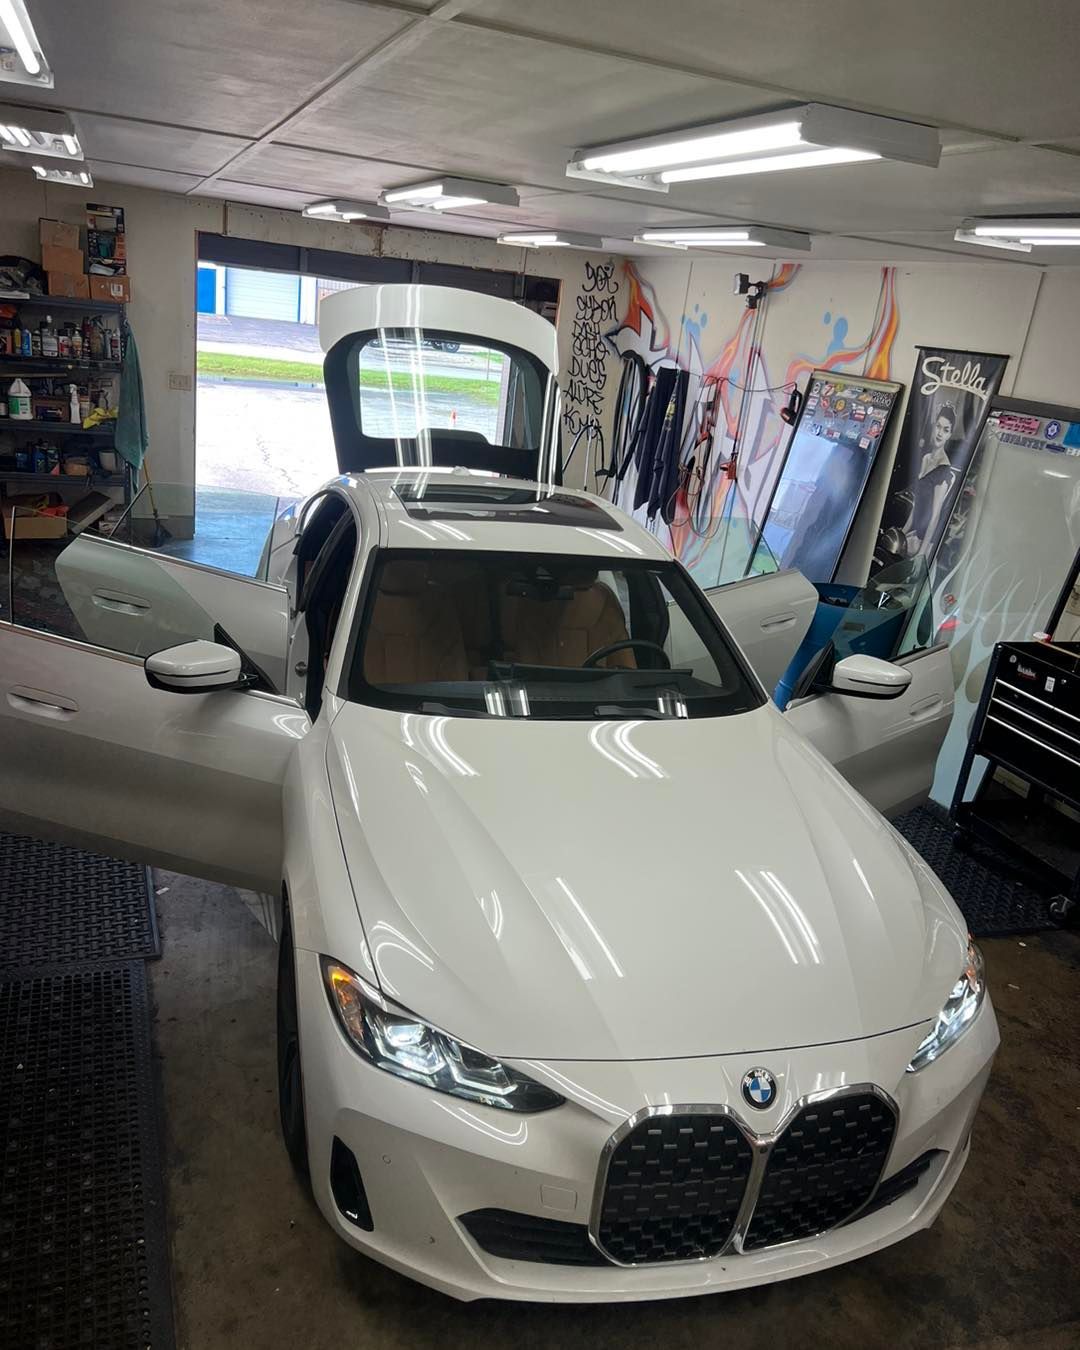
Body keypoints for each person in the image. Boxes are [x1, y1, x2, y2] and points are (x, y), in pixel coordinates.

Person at [898, 401, 959, 557]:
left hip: (925, 543)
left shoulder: (943, 470)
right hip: (914, 535)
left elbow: (935, 516)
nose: (940, 433)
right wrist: (903, 532)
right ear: (933, 426)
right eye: (938, 426)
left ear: (950, 435)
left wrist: (922, 553)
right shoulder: (925, 458)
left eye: (945, 430)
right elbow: (917, 503)